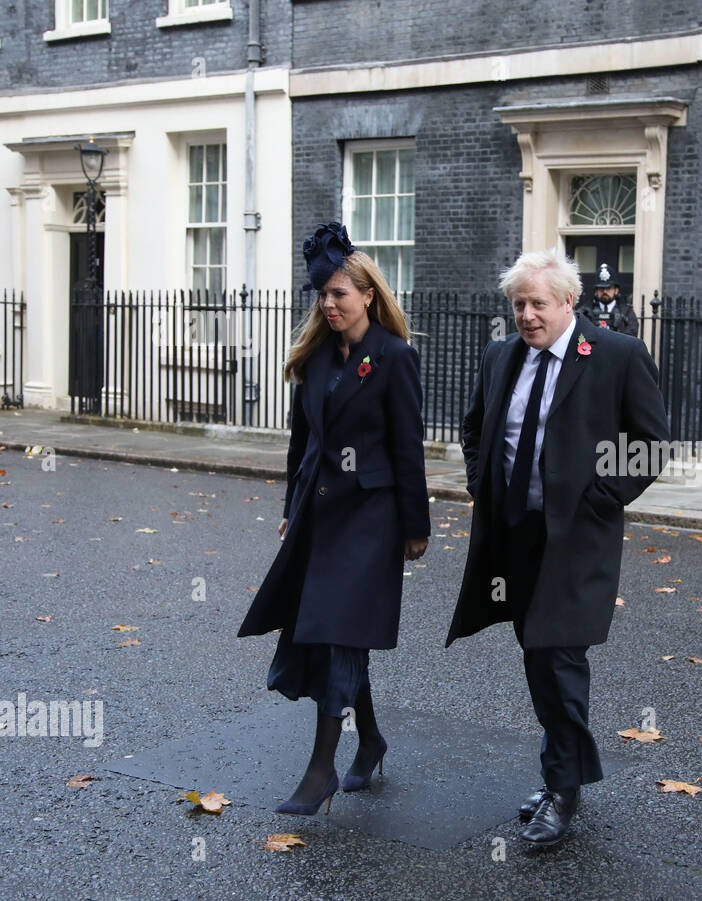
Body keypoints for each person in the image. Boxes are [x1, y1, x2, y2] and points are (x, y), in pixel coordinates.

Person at [445, 249, 670, 847]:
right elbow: (473, 428)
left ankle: (563, 790)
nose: (525, 315)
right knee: (539, 660)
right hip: (516, 536)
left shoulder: (616, 355)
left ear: (569, 301)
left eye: (537, 303)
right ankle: (561, 773)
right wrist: (481, 482)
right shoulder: (500, 357)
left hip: (576, 541)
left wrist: (599, 499)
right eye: (518, 304)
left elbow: (649, 445)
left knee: (558, 657)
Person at [238, 222, 430, 815]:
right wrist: (290, 511)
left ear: (368, 295)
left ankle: (321, 769)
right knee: (334, 629)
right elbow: (303, 447)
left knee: (338, 631)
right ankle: (368, 740)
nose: (329, 304)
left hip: (371, 518)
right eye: (323, 295)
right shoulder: (316, 360)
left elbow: (408, 446)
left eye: (339, 294)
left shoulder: (394, 358)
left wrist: (415, 525)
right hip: (320, 518)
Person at [577, 262, 639, 337]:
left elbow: (632, 333)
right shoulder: (585, 311)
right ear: (596, 290)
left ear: (616, 290)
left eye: (608, 288)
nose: (605, 291)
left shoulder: (626, 312)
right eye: (601, 288)